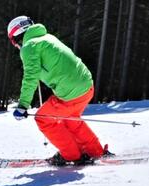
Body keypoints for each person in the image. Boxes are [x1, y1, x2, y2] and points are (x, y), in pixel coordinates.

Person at [6, 15, 110, 166]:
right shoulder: (47, 38)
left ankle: (71, 155)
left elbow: (30, 77)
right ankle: (95, 151)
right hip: (87, 86)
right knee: (71, 119)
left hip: (70, 93)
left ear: (16, 37)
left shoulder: (29, 46)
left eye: (13, 41)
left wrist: (23, 105)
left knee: (43, 119)